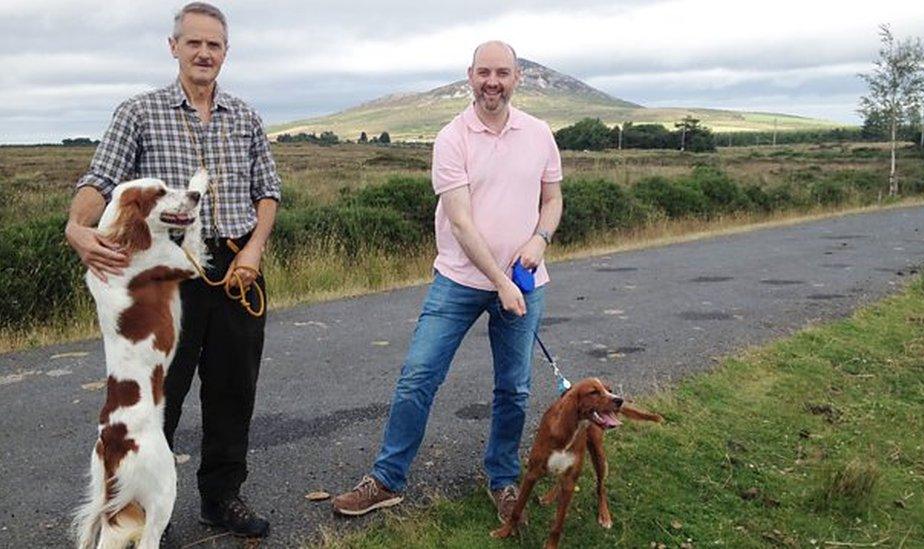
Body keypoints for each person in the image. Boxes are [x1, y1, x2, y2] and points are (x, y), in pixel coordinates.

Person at [65, 2, 280, 538]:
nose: (204, 53)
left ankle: (221, 499)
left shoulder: (246, 115)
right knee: (164, 391)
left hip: (235, 268)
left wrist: (253, 251)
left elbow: (268, 191)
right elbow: (100, 177)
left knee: (234, 388)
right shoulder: (138, 112)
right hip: (168, 273)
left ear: (226, 53)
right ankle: (147, 503)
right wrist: (76, 227)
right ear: (174, 47)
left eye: (215, 45)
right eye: (194, 43)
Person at [332, 40, 563, 522]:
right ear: (470, 76)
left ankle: (502, 480)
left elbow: (553, 200)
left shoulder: (540, 134)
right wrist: (500, 280)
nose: (492, 82)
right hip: (460, 281)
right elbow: (460, 222)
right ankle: (387, 478)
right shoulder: (452, 137)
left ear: (517, 77)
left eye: (502, 72)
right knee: (418, 376)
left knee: (514, 388)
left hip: (524, 281)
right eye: (484, 72)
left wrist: (540, 238)